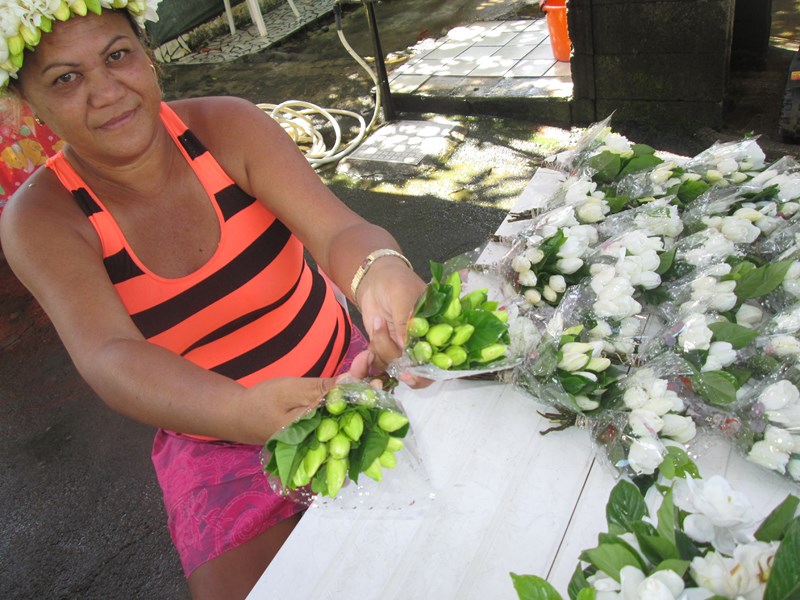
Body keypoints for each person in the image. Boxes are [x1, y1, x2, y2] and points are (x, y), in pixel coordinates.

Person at [0, 3, 426, 599]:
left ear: (147, 55)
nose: (106, 93)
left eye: (117, 56)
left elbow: (336, 232)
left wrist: (379, 272)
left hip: (350, 367)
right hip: (215, 429)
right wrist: (239, 414)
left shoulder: (227, 128)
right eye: (65, 78)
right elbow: (110, 355)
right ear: (27, 104)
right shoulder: (41, 220)